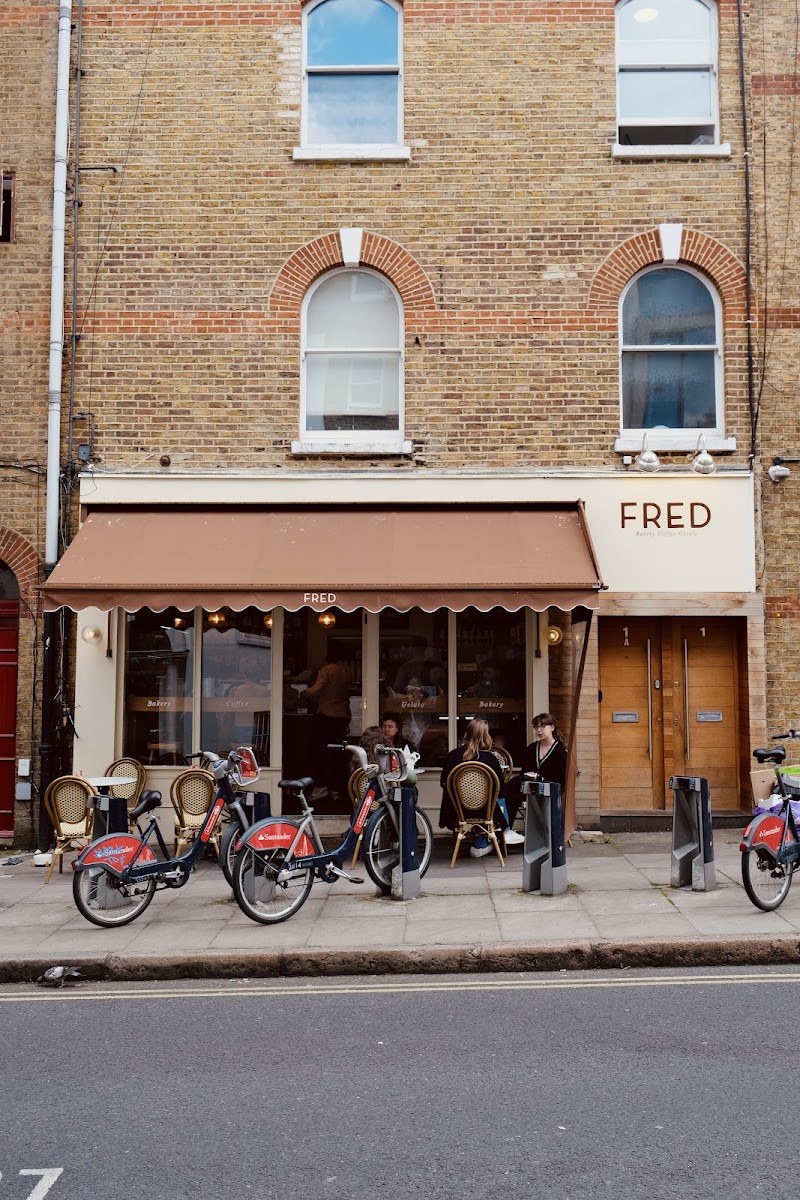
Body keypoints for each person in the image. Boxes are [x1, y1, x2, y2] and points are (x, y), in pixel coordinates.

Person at [438, 718, 524, 857]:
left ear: (466, 734)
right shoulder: (489, 759)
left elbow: (443, 783)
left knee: (490, 799)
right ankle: (503, 832)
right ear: (486, 736)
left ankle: (482, 843)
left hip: (456, 810)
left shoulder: (453, 755)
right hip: (485, 811)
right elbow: (500, 790)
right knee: (496, 797)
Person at [305, 650, 353, 800]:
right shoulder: (348, 671)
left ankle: (321, 786)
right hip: (342, 715)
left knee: (317, 751)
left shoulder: (327, 670)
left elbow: (315, 689)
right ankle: (336, 788)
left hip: (326, 715)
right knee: (338, 753)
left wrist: (303, 693)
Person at [506, 712, 568, 827]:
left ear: (552, 728)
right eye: (536, 727)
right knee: (511, 794)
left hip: (549, 790)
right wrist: (529, 776)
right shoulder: (532, 748)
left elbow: (560, 779)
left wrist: (539, 777)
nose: (539, 730)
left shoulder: (560, 751)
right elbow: (523, 771)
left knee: (513, 784)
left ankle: (506, 830)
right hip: (531, 788)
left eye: (542, 726)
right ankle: (507, 830)